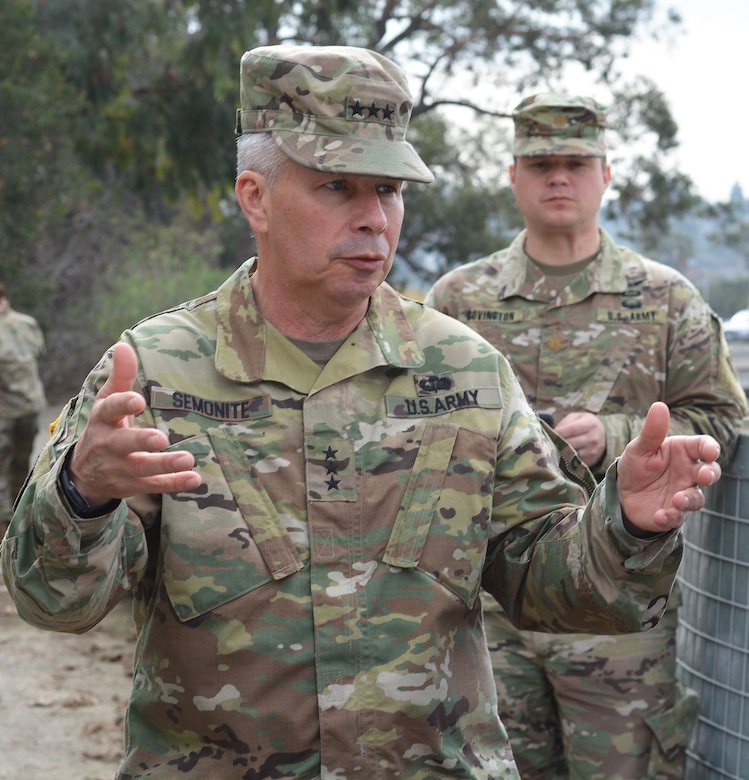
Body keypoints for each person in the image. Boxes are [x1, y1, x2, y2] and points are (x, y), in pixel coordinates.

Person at [1, 50, 724, 780]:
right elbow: (54, 603)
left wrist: (624, 525)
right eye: (337, 187)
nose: (373, 219)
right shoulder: (156, 373)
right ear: (255, 197)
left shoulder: (465, 372)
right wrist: (81, 495)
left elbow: (551, 585)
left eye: (388, 190)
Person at [425, 93, 748, 780]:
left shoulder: (664, 298)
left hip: (619, 615)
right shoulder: (457, 302)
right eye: (540, 163)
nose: (557, 178)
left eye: (575, 162)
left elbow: (722, 417)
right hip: (490, 607)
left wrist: (616, 435)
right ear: (512, 174)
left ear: (606, 174)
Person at [0, 282, 47, 538]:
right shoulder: (27, 323)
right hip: (30, 406)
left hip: (4, 412)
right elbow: (37, 352)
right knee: (22, 466)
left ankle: (6, 531)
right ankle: (22, 525)